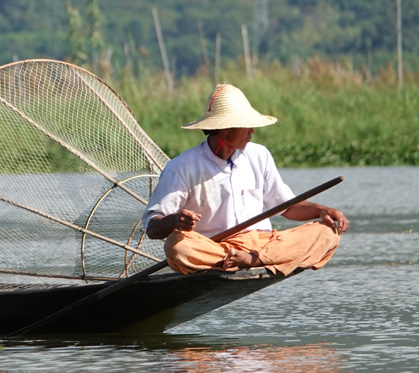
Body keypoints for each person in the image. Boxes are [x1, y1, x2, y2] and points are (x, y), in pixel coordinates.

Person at [141, 83, 349, 275]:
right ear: (225, 129)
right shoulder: (182, 167)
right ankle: (240, 259)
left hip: (263, 243)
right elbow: (153, 228)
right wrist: (175, 219)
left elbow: (287, 207)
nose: (252, 131)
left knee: (327, 233)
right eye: (245, 125)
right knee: (176, 247)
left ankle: (254, 260)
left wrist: (322, 210)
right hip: (216, 247)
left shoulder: (259, 155)